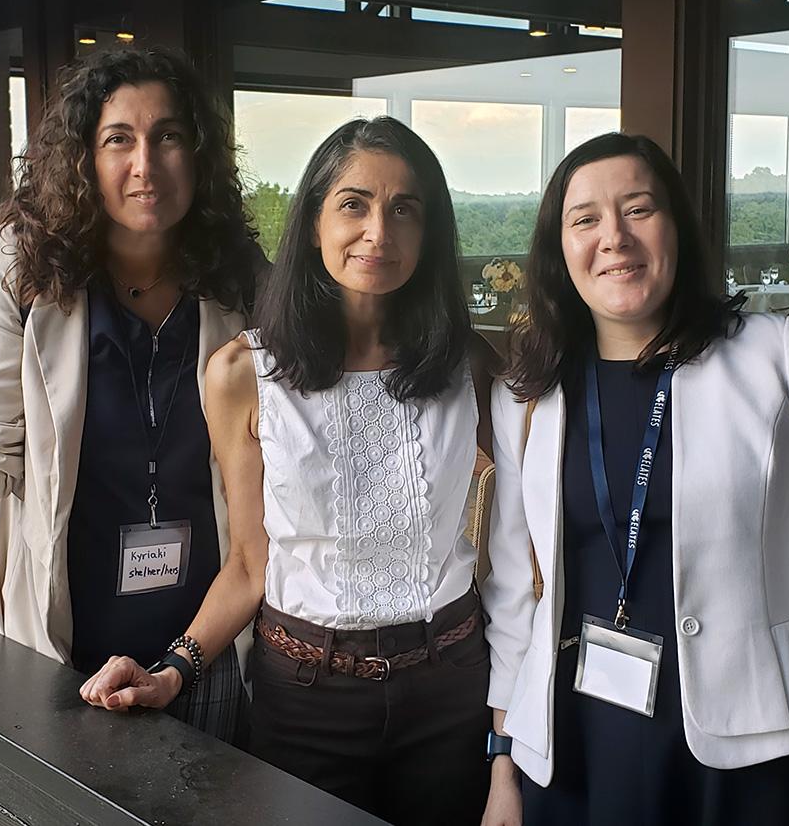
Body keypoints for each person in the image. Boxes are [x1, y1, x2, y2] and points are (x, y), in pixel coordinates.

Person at [479, 133, 789, 826]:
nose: (614, 237)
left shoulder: (773, 357)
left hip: (755, 749)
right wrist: (504, 760)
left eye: (639, 209)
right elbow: (511, 598)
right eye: (585, 219)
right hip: (571, 747)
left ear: (677, 226)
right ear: (558, 250)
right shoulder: (526, 393)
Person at [78, 117, 496, 826]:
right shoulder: (246, 374)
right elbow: (249, 562)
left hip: (450, 686)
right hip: (305, 695)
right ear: (312, 224)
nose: (378, 232)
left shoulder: (471, 368)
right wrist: (173, 669)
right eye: (354, 204)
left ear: (430, 233)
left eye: (405, 209)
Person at [0, 47, 264, 743]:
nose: (145, 164)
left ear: (199, 155)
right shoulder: (24, 265)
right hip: (67, 638)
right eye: (117, 139)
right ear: (82, 159)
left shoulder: (236, 276)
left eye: (169, 136)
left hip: (204, 642)